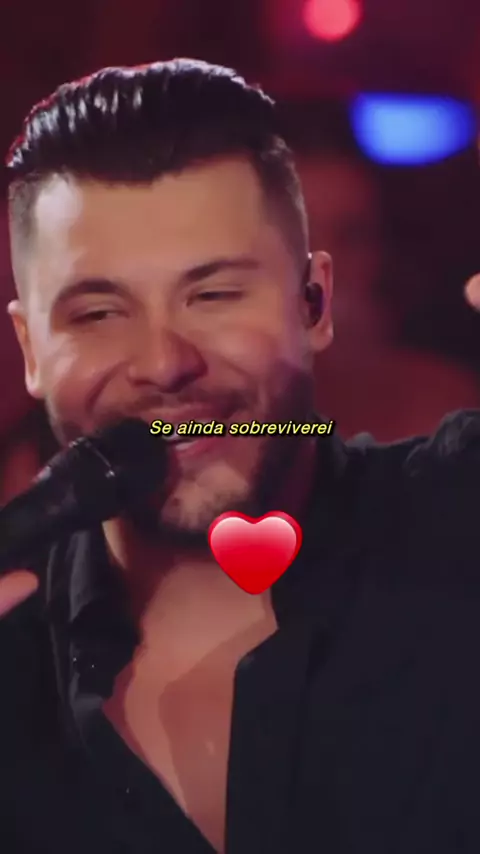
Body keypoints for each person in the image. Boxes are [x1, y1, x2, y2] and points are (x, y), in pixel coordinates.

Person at [0, 59, 479, 854]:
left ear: (313, 303)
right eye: (99, 312)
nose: (164, 363)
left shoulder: (458, 519)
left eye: (214, 294)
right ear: (30, 349)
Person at [295, 135, 480, 439]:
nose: (325, 262)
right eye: (302, 239)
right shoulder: (229, 404)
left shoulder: (447, 402)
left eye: (352, 236)